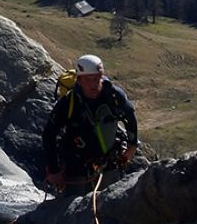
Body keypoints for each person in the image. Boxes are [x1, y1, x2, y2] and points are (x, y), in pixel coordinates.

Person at [42, 54, 138, 195]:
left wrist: (132, 146)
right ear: (79, 80)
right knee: (74, 210)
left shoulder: (114, 96)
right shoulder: (69, 102)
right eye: (88, 80)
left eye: (97, 78)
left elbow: (130, 117)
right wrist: (54, 170)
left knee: (107, 206)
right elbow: (49, 134)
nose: (93, 84)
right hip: (76, 165)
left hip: (108, 162)